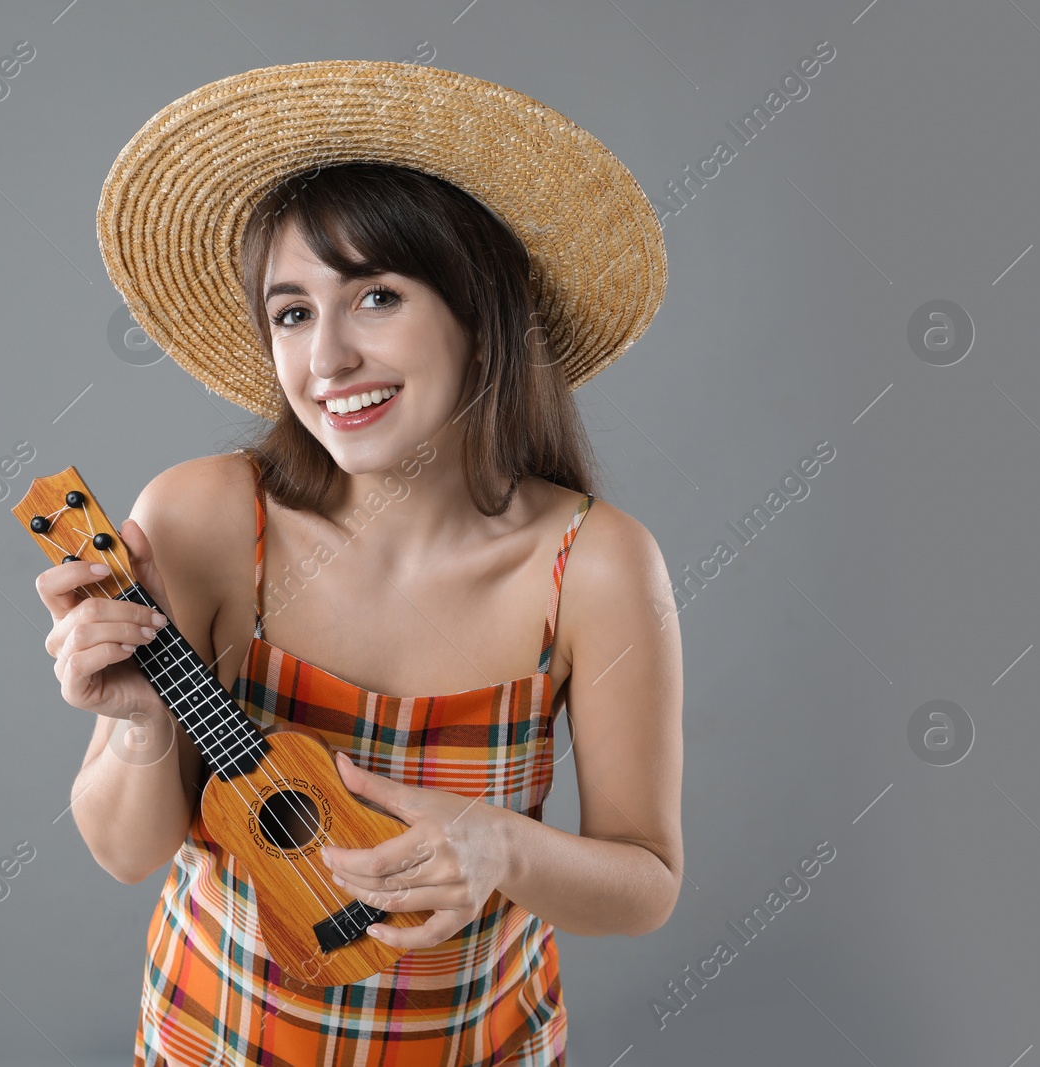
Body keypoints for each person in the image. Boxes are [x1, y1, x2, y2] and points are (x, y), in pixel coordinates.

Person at [36, 61, 683, 1065]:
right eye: (292, 312)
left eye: (375, 295)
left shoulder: (593, 565)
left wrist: (502, 845)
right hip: (214, 1040)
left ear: (482, 317)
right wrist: (136, 719)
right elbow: (126, 851)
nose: (326, 360)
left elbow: (645, 879)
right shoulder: (205, 517)